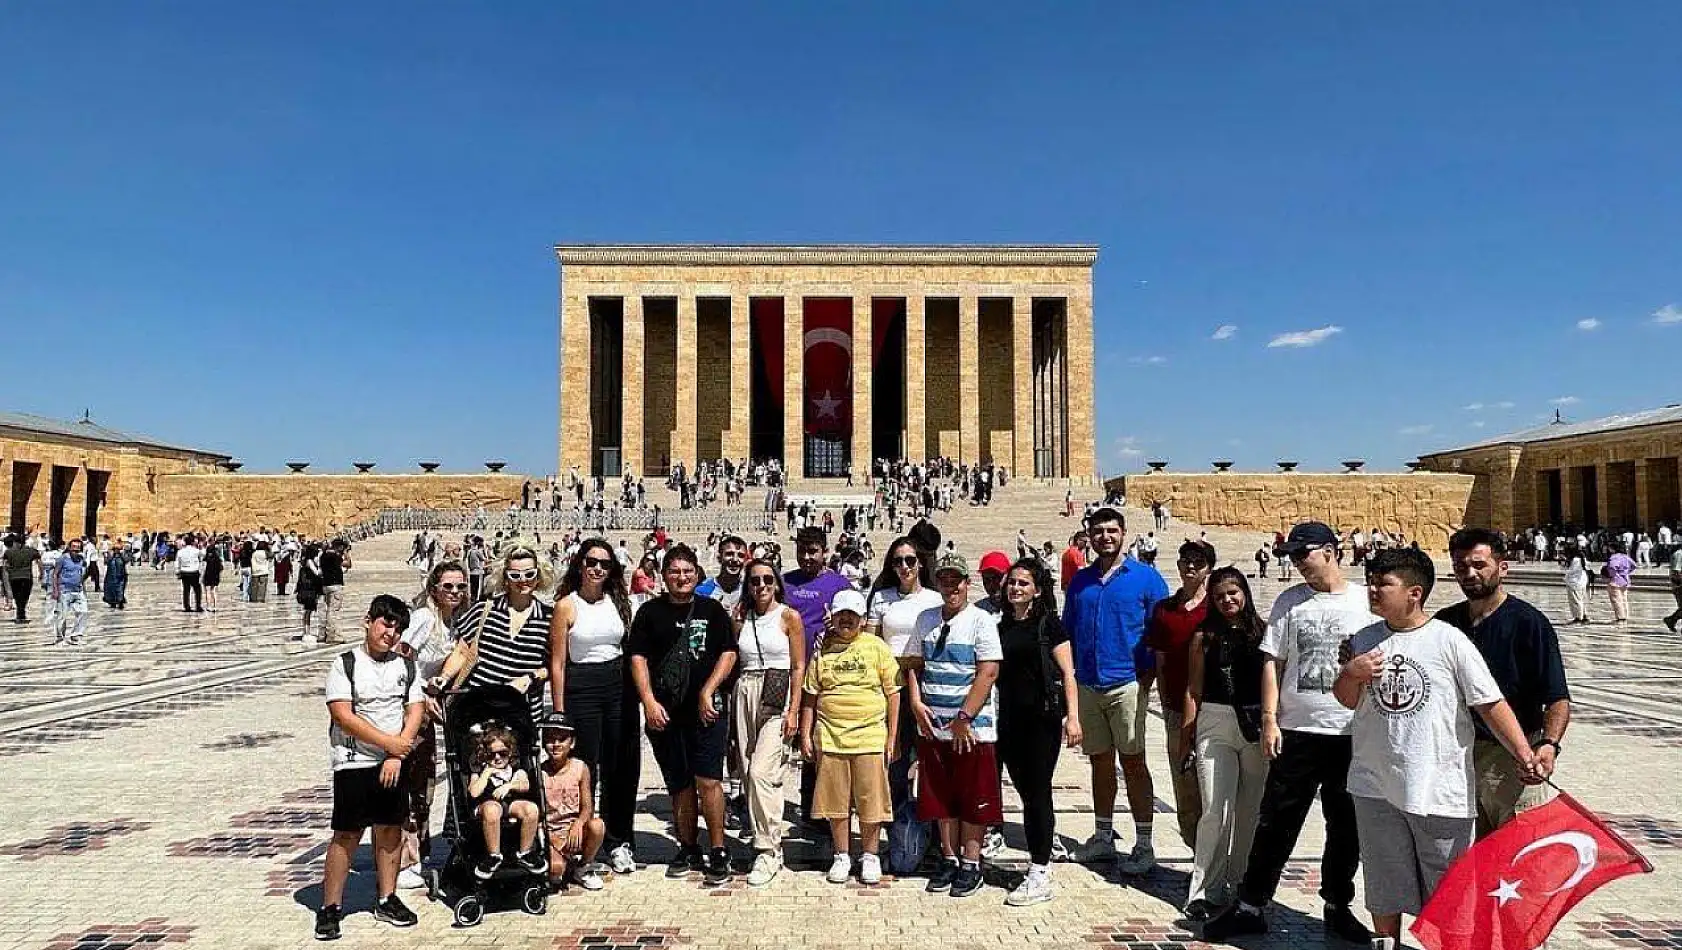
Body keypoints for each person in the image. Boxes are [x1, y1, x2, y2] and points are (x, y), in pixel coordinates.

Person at [1335, 548, 1540, 950]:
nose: (1373, 590)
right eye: (1372, 582)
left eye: (1384, 584)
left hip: (1438, 789)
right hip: (1374, 784)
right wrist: (1351, 672)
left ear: (1414, 593)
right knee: (1384, 882)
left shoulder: (1449, 640)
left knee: (1447, 891)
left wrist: (1524, 752)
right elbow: (1345, 699)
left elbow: (1489, 702)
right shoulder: (1365, 639)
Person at [1204, 521, 1373, 944]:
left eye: (1304, 554)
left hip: (1351, 731)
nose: (1297, 562)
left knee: (1345, 826)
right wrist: (1269, 720)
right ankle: (1251, 905)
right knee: (1276, 823)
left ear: (1331, 551)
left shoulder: (1363, 601)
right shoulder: (1289, 602)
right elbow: (1271, 663)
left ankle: (1338, 905)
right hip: (1297, 730)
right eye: (1292, 556)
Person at [1435, 528, 1570, 837]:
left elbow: (1557, 696)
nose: (1469, 573)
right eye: (1460, 566)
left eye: (1479, 565)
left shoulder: (1528, 623)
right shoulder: (1446, 623)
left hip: (1512, 758)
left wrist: (1548, 744)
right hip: (1460, 758)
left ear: (1502, 567)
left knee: (1518, 853)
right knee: (1469, 857)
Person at [1060, 507, 1168, 873]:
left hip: (1128, 683)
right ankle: (1103, 836)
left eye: (1111, 530)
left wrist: (1148, 678)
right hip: (1089, 682)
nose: (1105, 536)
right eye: (1098, 531)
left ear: (1124, 533)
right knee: (1100, 761)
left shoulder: (1147, 579)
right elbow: (1069, 631)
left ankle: (1144, 843)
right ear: (1088, 536)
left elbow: (1160, 633)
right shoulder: (1081, 581)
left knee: (1134, 762)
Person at [315, 594, 424, 940]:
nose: (390, 633)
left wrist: (396, 752)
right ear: (369, 621)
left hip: (392, 760)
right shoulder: (345, 663)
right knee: (347, 833)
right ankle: (330, 906)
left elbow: (414, 710)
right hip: (354, 760)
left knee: (390, 829)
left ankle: (386, 897)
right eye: (385, 624)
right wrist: (387, 743)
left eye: (397, 628)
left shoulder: (405, 666)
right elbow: (343, 715)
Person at [628, 544, 738, 884]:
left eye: (687, 571)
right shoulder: (649, 614)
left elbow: (729, 652)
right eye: (674, 571)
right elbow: (638, 658)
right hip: (666, 711)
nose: (681, 577)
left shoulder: (712, 610)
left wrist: (708, 689)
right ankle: (688, 845)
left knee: (709, 780)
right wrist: (647, 700)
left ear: (697, 573)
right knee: (679, 785)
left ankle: (718, 849)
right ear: (663, 576)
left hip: (705, 711)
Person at [904, 552, 1004, 899]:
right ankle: (949, 858)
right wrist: (916, 703)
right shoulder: (925, 619)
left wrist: (964, 717)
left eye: (956, 580)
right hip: (934, 725)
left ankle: (971, 863)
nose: (951, 587)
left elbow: (988, 672)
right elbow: (914, 664)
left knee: (972, 797)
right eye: (944, 580)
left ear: (966, 583)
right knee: (941, 796)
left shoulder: (980, 620)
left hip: (972, 728)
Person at [1181, 568, 1269, 921]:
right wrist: (1185, 736)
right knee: (1215, 809)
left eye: (1233, 592)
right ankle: (1203, 889)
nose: (1227, 600)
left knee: (1249, 813)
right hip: (1215, 722)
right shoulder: (1204, 636)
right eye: (1219, 596)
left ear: (1244, 592)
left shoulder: (1262, 633)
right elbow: (1194, 689)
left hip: (1255, 723)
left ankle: (1241, 883)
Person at [549, 539, 640, 876]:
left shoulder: (619, 602)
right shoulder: (566, 606)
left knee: (620, 765)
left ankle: (618, 841)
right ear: (580, 564)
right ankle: (580, 844)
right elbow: (557, 662)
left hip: (617, 685)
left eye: (605, 563)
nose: (598, 568)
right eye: (591, 561)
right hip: (581, 685)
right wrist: (559, 711)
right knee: (585, 767)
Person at [993, 558, 1080, 905]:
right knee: (1025, 792)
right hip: (1010, 721)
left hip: (1042, 720)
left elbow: (1068, 673)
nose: (1016, 588)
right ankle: (1037, 864)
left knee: (1038, 792)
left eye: (1024, 583)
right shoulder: (1001, 628)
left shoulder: (1049, 626)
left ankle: (1040, 870)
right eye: (1012, 582)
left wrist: (1073, 717)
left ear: (1038, 590)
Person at [802, 588, 900, 886]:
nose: (847, 620)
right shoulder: (823, 651)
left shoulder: (876, 647)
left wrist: (892, 737)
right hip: (830, 736)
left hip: (870, 735)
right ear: (834, 617)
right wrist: (806, 734)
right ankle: (842, 854)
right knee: (836, 801)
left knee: (871, 800)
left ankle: (870, 854)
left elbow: (893, 693)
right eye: (842, 615)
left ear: (862, 619)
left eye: (852, 616)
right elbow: (810, 695)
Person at [391, 560, 468, 890]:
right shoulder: (424, 618)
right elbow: (400, 655)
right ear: (434, 588)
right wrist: (421, 693)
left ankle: (417, 853)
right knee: (412, 783)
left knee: (424, 782)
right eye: (448, 586)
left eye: (460, 586)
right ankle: (406, 859)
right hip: (408, 712)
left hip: (425, 711)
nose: (454, 592)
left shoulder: (450, 623)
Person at [732, 558, 806, 886]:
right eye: (754, 581)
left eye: (767, 580)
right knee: (749, 772)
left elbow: (799, 666)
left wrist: (794, 711)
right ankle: (761, 836)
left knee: (764, 771)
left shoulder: (789, 617)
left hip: (777, 691)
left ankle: (769, 848)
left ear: (776, 583)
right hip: (746, 689)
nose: (761, 586)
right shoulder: (741, 618)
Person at [431, 543, 556, 722]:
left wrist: (532, 677)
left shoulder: (549, 618)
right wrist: (443, 678)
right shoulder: (484, 609)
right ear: (505, 578)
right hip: (479, 711)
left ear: (539, 577)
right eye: (515, 575)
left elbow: (555, 665)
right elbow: (462, 651)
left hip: (522, 714)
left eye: (530, 574)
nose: (522, 580)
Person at [1147, 539, 1216, 850]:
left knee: (1214, 788)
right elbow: (1160, 659)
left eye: (1198, 561)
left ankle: (1220, 858)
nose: (1190, 566)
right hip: (1176, 707)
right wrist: (1164, 700)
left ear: (1209, 568)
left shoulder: (1217, 608)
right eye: (1185, 560)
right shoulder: (1166, 610)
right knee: (1184, 785)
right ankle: (1195, 852)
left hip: (1215, 708)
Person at [466, 721, 545, 879]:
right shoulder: (480, 771)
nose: (497, 758)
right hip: (486, 806)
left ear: (510, 753)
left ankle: (525, 853)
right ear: (484, 754)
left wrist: (509, 786)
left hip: (509, 804)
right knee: (492, 809)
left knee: (531, 809)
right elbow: (474, 792)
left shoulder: (515, 770)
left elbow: (525, 785)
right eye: (491, 754)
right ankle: (493, 855)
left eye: (502, 753)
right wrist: (487, 773)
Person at [538, 713, 606, 891]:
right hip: (551, 832)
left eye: (562, 739)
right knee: (556, 872)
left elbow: (587, 806)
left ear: (572, 743)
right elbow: (538, 814)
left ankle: (584, 866)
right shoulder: (539, 773)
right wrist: (551, 839)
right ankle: (562, 863)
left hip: (574, 830)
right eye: (551, 740)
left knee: (597, 826)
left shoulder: (580, 768)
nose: (556, 745)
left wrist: (579, 823)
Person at [50, 537, 91, 645]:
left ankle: (76, 635)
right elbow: (55, 574)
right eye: (73, 548)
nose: (75, 551)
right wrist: (55, 590)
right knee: (62, 615)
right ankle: (60, 637)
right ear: (69, 548)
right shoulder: (63, 559)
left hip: (78, 590)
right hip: (64, 590)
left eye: (78, 549)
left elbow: (81, 575)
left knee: (83, 611)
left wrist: (84, 591)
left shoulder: (81, 560)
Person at [319, 541, 351, 643]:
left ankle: (322, 634)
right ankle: (332, 636)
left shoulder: (323, 555)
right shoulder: (334, 556)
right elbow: (348, 564)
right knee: (333, 611)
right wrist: (346, 553)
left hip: (326, 585)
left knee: (326, 610)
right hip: (335, 585)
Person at [5, 534, 41, 623]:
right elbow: (39, 561)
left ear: (15, 542)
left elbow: (5, 565)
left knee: (17, 596)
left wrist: (8, 573)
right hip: (27, 577)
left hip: (14, 577)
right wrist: (42, 573)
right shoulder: (31, 551)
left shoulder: (9, 552)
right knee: (25, 596)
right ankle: (21, 612)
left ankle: (20, 613)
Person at [1603, 544, 1635, 625]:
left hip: (1615, 580)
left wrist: (1612, 575)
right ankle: (1625, 616)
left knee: (1616, 600)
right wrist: (1626, 572)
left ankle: (1620, 617)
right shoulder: (1625, 557)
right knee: (1624, 599)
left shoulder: (1614, 557)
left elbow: (1612, 567)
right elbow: (1634, 565)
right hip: (1625, 580)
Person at [1561, 543, 1591, 624]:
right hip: (1582, 581)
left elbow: (1571, 571)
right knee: (1582, 599)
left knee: (1575, 601)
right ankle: (1584, 616)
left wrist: (1565, 562)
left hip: (1574, 582)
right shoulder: (1583, 559)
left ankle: (1578, 617)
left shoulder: (1574, 560)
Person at [176, 534, 205, 613]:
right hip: (194, 572)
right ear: (192, 542)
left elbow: (177, 563)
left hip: (184, 572)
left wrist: (177, 572)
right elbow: (203, 554)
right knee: (197, 590)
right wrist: (201, 547)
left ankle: (187, 606)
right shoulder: (196, 550)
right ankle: (198, 606)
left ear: (184, 542)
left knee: (186, 590)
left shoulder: (180, 552)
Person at [102, 540, 129, 609]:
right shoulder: (111, 556)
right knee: (111, 589)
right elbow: (106, 562)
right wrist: (107, 555)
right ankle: (112, 602)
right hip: (111, 576)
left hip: (120, 576)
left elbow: (126, 560)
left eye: (118, 549)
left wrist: (123, 554)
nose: (116, 550)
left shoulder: (122, 557)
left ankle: (120, 602)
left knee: (120, 589)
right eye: (115, 549)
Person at [1666, 539, 1682, 633]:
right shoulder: (1679, 554)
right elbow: (1677, 571)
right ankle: (1671, 620)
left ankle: (1671, 620)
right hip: (1679, 584)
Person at [202, 542, 223, 613]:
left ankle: (208, 606)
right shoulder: (217, 558)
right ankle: (215, 606)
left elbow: (204, 568)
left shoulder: (206, 558)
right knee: (214, 591)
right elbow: (221, 568)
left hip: (207, 575)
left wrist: (202, 577)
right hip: (215, 576)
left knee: (207, 591)